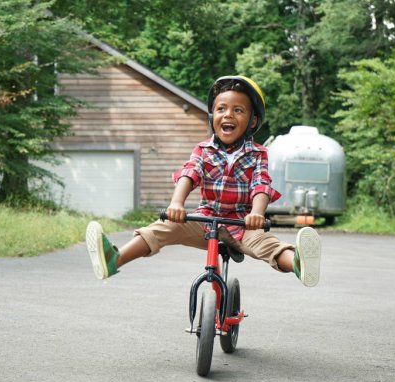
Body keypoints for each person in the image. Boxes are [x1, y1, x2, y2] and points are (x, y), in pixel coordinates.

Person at [86, 75, 321, 287]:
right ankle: (114, 259)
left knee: (266, 244)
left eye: (238, 110)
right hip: (205, 220)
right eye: (221, 109)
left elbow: (261, 185)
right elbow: (190, 173)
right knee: (161, 229)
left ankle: (299, 264)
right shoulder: (203, 150)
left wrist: (257, 214)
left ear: (252, 121)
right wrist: (176, 204)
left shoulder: (258, 154)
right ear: (212, 117)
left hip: (242, 225)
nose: (228, 114)